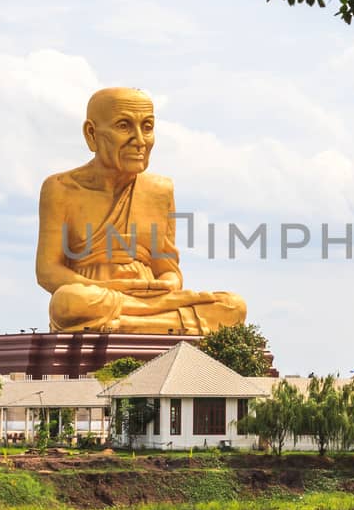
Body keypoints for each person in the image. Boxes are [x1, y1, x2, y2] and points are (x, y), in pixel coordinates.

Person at [35, 87, 247, 334]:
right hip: (96, 296)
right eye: (124, 126)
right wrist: (108, 288)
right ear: (91, 133)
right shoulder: (60, 189)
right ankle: (157, 325)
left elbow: (167, 270)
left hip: (150, 300)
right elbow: (48, 271)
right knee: (68, 302)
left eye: (147, 127)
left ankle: (130, 325)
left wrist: (165, 287)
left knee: (233, 306)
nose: (139, 140)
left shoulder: (160, 190)